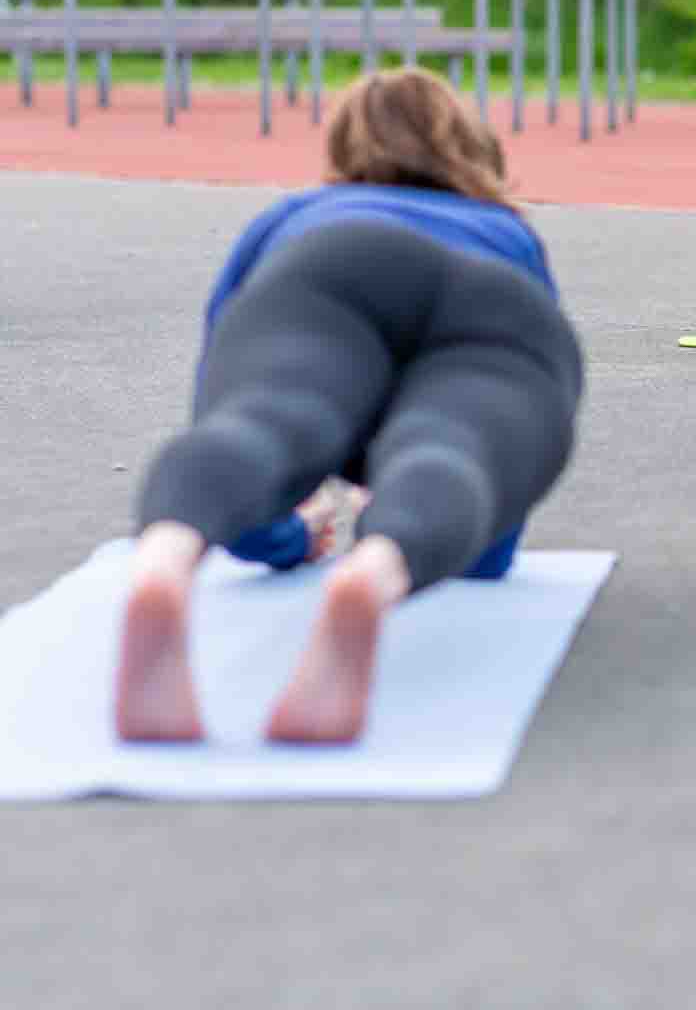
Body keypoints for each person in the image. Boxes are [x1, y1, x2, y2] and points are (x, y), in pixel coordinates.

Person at [114, 67, 586, 745]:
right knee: (455, 448)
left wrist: (285, 539)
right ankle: (374, 573)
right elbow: (500, 492)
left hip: (333, 262)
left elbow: (220, 401)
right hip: (492, 297)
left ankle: (163, 562)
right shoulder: (504, 228)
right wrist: (434, 534)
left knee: (263, 421)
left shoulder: (295, 214)